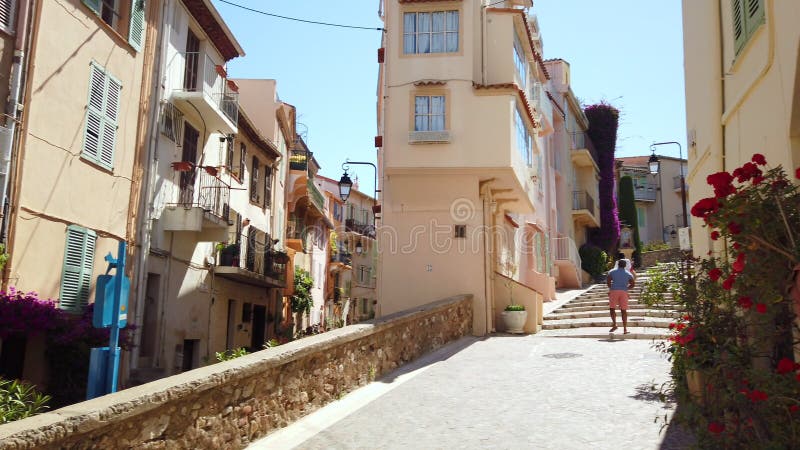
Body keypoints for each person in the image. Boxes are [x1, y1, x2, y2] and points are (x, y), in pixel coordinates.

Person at [607, 259, 635, 334]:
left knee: (612, 308)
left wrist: (611, 288)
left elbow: (608, 281)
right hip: (623, 292)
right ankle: (625, 329)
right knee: (623, 310)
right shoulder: (628, 273)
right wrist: (626, 288)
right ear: (625, 266)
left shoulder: (612, 272)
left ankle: (615, 324)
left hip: (614, 291)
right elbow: (633, 284)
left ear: (618, 264)